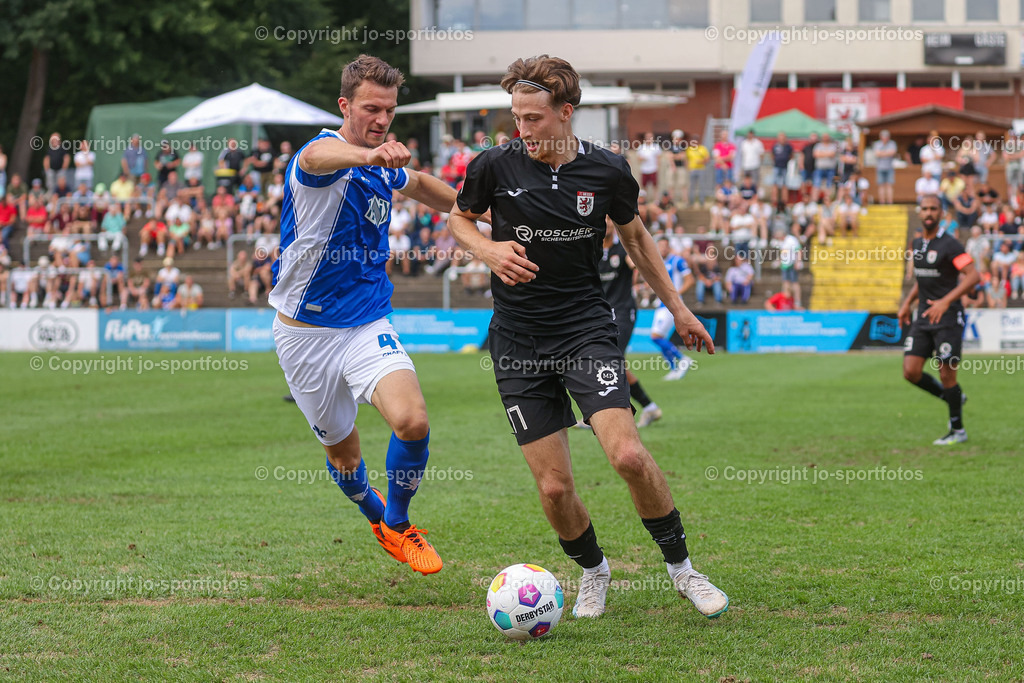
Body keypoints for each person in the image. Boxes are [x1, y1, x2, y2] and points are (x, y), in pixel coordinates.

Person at [448, 54, 727, 620]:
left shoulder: (608, 171)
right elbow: (458, 218)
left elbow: (637, 239)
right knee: (554, 489)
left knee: (626, 454)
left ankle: (683, 570)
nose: (521, 130)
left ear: (566, 113)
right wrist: (485, 248)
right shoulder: (493, 166)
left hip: (585, 329)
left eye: (533, 118)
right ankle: (594, 572)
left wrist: (678, 309)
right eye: (515, 117)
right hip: (518, 341)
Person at [269, 55, 467, 576]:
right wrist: (368, 153)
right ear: (345, 106)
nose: (382, 119)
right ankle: (373, 513)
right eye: (371, 108)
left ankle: (400, 523)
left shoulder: (380, 165)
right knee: (345, 460)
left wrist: (484, 211)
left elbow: (421, 184)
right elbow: (319, 158)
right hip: (303, 336)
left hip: (366, 323)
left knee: (413, 420)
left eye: (389, 111)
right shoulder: (321, 156)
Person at [897, 194, 980, 445]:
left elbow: (973, 276)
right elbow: (922, 279)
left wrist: (946, 301)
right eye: (925, 209)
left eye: (934, 208)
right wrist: (906, 304)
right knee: (910, 371)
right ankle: (952, 397)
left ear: (942, 213)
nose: (929, 213)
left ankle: (958, 430)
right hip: (923, 316)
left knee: (947, 376)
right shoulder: (916, 243)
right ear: (919, 212)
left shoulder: (951, 245)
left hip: (948, 318)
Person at [596, 219, 663, 428]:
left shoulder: (621, 250)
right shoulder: (592, 251)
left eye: (609, 220)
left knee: (611, 361)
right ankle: (649, 408)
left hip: (623, 312)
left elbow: (635, 263)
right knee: (609, 363)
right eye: (602, 219)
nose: (605, 223)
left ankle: (608, 415)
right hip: (600, 315)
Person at [872, 130, 897, 205]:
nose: (885, 138)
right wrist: (887, 153)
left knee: (889, 185)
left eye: (886, 137)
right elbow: (877, 154)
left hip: (889, 167)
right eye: (884, 136)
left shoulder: (892, 143)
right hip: (880, 167)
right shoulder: (877, 144)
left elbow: (892, 152)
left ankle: (890, 202)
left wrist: (882, 153)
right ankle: (882, 202)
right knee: (881, 185)